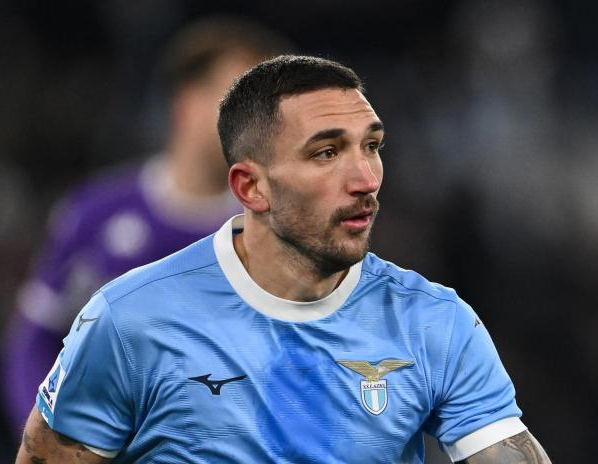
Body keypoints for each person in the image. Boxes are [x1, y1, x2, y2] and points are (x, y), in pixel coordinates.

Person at [16, 56, 551, 463]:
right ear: (251, 187)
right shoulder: (130, 319)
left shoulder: (435, 322)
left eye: (372, 146)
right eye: (327, 152)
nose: (366, 179)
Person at [2, 15, 291, 437]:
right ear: (186, 105)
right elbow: (35, 338)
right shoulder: (94, 212)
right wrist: (45, 435)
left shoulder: (278, 234)